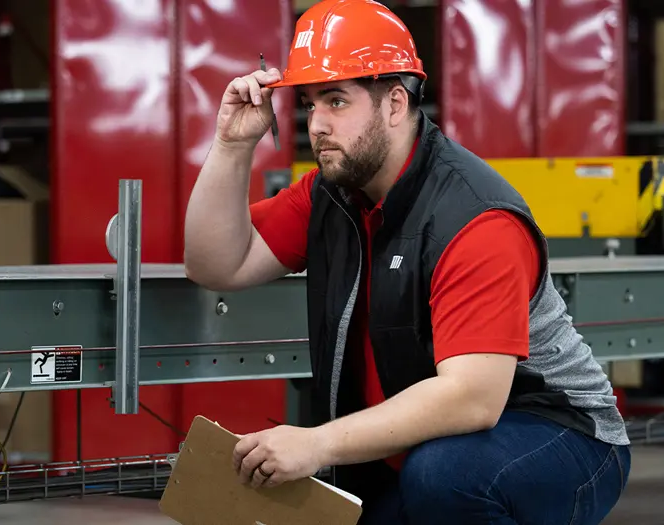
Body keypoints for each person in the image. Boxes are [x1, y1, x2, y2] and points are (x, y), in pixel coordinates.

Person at [182, 0, 631, 523]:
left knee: (446, 479)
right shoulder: (332, 194)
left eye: (336, 101)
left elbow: (473, 399)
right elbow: (217, 264)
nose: (317, 125)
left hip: (559, 433)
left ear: (395, 103)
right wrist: (232, 144)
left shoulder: (473, 217)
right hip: (424, 445)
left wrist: (319, 443)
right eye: (308, 104)